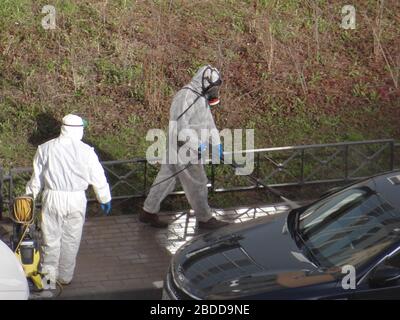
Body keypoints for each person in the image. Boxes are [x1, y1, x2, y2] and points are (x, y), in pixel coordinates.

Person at [26, 114, 112, 286]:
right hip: (76, 199)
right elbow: (98, 177)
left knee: (50, 240)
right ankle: (65, 277)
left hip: (52, 198)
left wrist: (29, 197)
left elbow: (37, 178)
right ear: (79, 129)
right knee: (71, 240)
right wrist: (104, 198)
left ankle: (48, 280)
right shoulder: (87, 151)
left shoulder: (46, 148)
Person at [141, 65, 229, 229]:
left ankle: (148, 212)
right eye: (213, 86)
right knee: (198, 183)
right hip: (184, 148)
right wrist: (199, 145)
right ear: (205, 81)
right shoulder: (186, 95)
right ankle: (205, 219)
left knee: (165, 180)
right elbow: (180, 127)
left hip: (188, 148)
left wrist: (217, 144)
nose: (214, 90)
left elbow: (208, 124)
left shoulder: (200, 97)